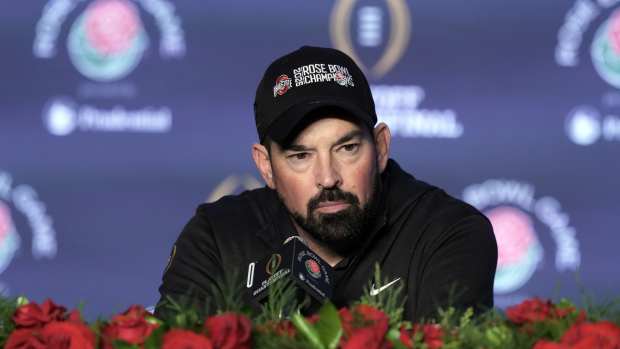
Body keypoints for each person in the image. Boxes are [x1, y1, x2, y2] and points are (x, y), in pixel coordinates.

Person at [155, 46, 497, 322]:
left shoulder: (449, 233)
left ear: (379, 148)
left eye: (347, 148)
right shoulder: (217, 237)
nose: (328, 177)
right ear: (266, 166)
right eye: (300, 156)